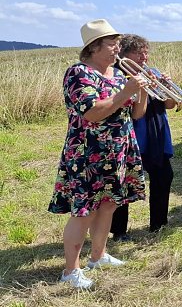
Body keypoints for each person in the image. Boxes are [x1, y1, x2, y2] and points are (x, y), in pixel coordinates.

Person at [48, 19, 148, 289]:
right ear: (94, 47)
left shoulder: (117, 74)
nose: (118, 48)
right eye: (112, 43)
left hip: (118, 149)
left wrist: (143, 89)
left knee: (109, 204)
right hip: (88, 152)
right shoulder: (78, 73)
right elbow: (92, 112)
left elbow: (136, 114)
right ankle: (71, 270)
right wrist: (126, 91)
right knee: (84, 210)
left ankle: (98, 255)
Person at [110, 34, 176, 241]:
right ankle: (119, 231)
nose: (144, 57)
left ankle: (159, 224)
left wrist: (168, 87)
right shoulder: (117, 77)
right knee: (124, 182)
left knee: (164, 176)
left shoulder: (151, 73)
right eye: (138, 53)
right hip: (133, 132)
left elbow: (171, 105)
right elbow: (132, 110)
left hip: (156, 130)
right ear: (123, 54)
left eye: (146, 53)